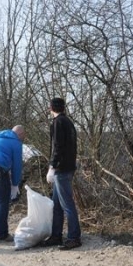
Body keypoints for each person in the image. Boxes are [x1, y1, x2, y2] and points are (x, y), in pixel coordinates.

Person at [41, 98, 82, 250]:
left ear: (50, 107)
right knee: (57, 205)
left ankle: (74, 237)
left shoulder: (58, 122)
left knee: (67, 205)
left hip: (61, 169)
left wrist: (52, 166)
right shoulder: (68, 122)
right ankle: (56, 235)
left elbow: (57, 146)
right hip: (68, 166)